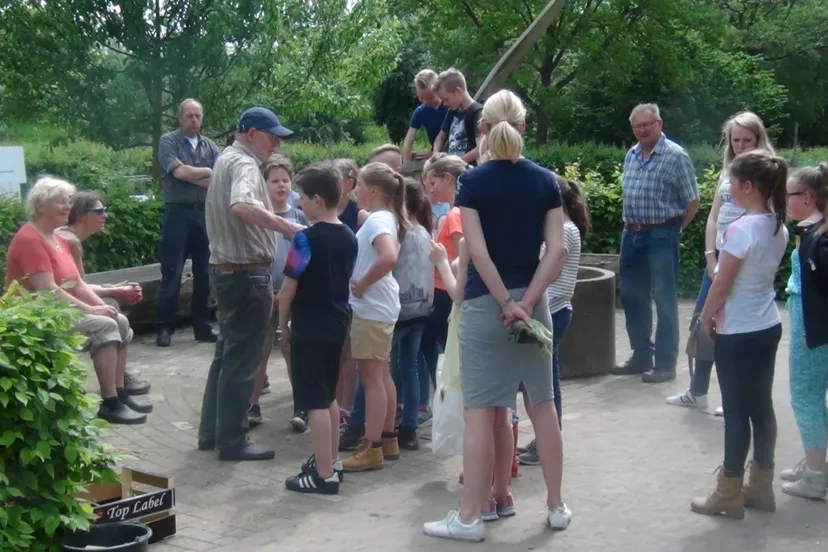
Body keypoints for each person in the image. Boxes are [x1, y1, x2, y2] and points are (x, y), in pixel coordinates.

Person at [423, 90, 570, 542]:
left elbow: (479, 252)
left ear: (482, 128)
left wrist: (506, 302)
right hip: (534, 306)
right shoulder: (546, 181)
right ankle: (556, 505)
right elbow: (557, 250)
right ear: (523, 127)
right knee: (542, 406)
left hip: (487, 306)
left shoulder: (473, 183)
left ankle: (469, 517)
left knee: (480, 413)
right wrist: (526, 303)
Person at [198, 106, 303, 462]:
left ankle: (211, 433)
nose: (276, 144)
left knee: (226, 355)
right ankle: (233, 441)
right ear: (252, 133)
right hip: (245, 274)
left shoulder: (223, 159)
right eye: (272, 137)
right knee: (243, 361)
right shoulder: (243, 164)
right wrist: (287, 227)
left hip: (225, 271)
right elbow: (242, 205)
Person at [5, 177, 152, 424]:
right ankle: (110, 404)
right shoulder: (30, 239)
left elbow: (78, 284)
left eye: (68, 201)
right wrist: (91, 309)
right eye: (60, 202)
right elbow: (48, 290)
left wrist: (102, 307)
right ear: (40, 206)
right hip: (35, 315)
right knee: (104, 325)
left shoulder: (56, 237)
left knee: (119, 319)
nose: (67, 207)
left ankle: (120, 393)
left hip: (57, 309)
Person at [691, 150, 788, 519]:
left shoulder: (741, 229)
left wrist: (705, 317)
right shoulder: (778, 225)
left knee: (735, 412)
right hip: (767, 324)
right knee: (761, 406)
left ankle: (728, 491)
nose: (727, 189)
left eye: (731, 182)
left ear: (748, 186)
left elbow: (722, 284)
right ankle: (760, 486)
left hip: (738, 330)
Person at [667, 111, 775, 413]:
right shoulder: (728, 171)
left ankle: (736, 398)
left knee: (735, 328)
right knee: (704, 321)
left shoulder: (767, 173)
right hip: (718, 259)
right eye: (735, 140)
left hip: (743, 260)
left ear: (759, 139)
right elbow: (714, 216)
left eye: (747, 140)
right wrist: (710, 255)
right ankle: (697, 390)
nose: (740, 146)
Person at [280, 162, 358, 495]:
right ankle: (332, 460)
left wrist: (282, 326)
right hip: (338, 321)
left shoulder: (304, 239)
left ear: (317, 200)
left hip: (310, 325)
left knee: (314, 401)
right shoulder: (349, 236)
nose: (298, 202)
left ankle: (324, 475)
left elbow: (287, 290)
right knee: (328, 396)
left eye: (302, 196)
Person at [613, 103, 699, 383]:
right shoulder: (632, 154)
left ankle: (665, 364)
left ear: (659, 124)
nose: (642, 130)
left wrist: (675, 230)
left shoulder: (676, 156)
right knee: (631, 296)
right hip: (631, 234)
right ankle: (641, 356)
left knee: (664, 300)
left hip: (661, 234)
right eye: (637, 126)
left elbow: (693, 200)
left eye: (647, 125)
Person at [518, 176, 590, 465]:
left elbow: (549, 270)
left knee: (541, 382)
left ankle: (546, 442)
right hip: (557, 309)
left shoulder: (564, 232)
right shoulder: (565, 228)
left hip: (554, 310)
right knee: (546, 378)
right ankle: (546, 439)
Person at [341, 163, 406, 472]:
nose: (356, 192)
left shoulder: (379, 219)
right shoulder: (386, 217)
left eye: (361, 187)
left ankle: (372, 446)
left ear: (374, 190)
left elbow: (389, 257)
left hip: (372, 308)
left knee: (371, 380)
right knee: (381, 375)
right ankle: (387, 438)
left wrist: (363, 283)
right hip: (380, 308)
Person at [58, 191, 151, 396]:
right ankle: (117, 384)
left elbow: (77, 285)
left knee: (111, 305)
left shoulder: (66, 236)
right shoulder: (70, 241)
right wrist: (118, 291)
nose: (105, 216)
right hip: (58, 308)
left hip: (60, 302)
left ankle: (118, 380)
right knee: (112, 313)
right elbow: (78, 289)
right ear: (81, 216)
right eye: (99, 211)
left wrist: (117, 289)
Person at [247, 155, 308, 430]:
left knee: (292, 348)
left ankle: (302, 405)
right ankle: (252, 404)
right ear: (264, 184)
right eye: (275, 181)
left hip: (292, 294)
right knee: (259, 350)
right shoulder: (259, 216)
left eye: (285, 180)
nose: (281, 185)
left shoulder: (299, 215)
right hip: (264, 291)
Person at [779, 163, 828, 500]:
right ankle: (816, 464)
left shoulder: (817, 237)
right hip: (812, 326)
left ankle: (814, 476)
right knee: (814, 396)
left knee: (805, 397)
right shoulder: (813, 231)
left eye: (789, 195)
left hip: (812, 329)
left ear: (808, 197)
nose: (785, 202)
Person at [155, 98, 221, 348]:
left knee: (205, 272)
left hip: (204, 213)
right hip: (178, 213)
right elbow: (178, 172)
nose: (194, 120)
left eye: (197, 116)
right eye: (189, 115)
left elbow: (218, 179)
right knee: (172, 272)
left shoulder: (210, 145)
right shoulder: (168, 141)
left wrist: (193, 174)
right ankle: (164, 328)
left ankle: (202, 326)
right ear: (180, 118)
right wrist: (207, 172)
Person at [419, 155, 468, 418]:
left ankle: (443, 395)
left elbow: (462, 260)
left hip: (446, 292)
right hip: (442, 290)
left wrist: (439, 259)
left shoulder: (455, 215)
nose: (430, 189)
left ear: (448, 179)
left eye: (433, 182)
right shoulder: (454, 213)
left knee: (430, 343)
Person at [390, 178, 434, 450]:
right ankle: (409, 428)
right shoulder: (425, 232)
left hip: (399, 310)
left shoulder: (400, 233)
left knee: (383, 368)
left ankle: (370, 424)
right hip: (422, 309)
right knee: (410, 367)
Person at [331, 159, 369, 428]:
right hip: (331, 285)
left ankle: (347, 405)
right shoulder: (324, 210)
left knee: (349, 350)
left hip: (352, 286)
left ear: (349, 184)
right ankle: (333, 403)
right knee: (335, 349)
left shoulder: (359, 214)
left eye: (335, 178)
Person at [431, 68, 483, 165]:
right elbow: (440, 138)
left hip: (468, 168)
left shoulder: (477, 113)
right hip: (452, 167)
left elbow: (481, 147)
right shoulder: (452, 111)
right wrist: (435, 155)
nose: (444, 104)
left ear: (457, 91)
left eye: (446, 99)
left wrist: (456, 162)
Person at [402, 69, 449, 162]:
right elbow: (408, 141)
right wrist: (406, 164)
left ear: (439, 90)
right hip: (437, 153)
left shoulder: (449, 105)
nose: (425, 102)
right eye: (421, 98)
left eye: (430, 98)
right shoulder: (420, 112)